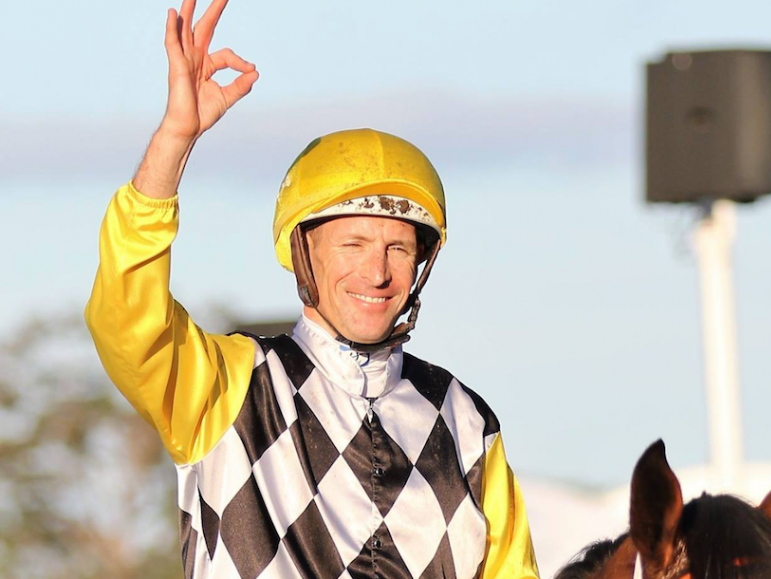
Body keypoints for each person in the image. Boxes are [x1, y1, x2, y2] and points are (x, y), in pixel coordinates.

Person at [84, 1, 540, 578]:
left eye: (399, 249)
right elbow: (126, 317)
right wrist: (174, 140)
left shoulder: (466, 419)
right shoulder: (228, 387)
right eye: (353, 244)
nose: (377, 272)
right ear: (303, 252)